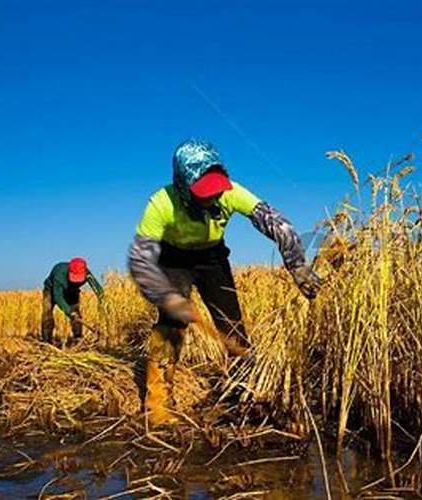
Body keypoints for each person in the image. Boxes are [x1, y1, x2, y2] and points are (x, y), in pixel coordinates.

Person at [128, 139, 321, 426]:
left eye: (217, 191)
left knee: (231, 324)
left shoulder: (230, 191)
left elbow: (277, 223)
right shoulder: (161, 204)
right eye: (204, 193)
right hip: (174, 260)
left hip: (212, 259)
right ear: (183, 185)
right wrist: (167, 296)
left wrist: (297, 265)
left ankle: (244, 394)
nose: (214, 198)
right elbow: (140, 261)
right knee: (171, 325)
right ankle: (157, 406)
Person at [41, 258, 104, 345]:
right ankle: (46, 341)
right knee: (47, 314)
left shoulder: (87, 274)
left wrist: (104, 304)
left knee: (76, 313)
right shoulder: (59, 273)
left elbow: (98, 289)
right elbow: (58, 297)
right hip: (51, 291)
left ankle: (77, 338)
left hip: (72, 291)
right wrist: (69, 311)